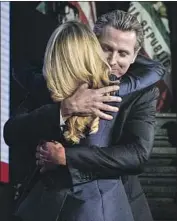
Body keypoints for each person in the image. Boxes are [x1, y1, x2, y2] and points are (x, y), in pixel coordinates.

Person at [4, 10, 164, 221]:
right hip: (46, 202)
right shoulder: (59, 80)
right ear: (90, 44)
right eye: (106, 48)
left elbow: (137, 154)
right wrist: (64, 109)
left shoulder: (142, 91)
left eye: (123, 53)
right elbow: (12, 131)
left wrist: (65, 158)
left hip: (111, 203)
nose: (112, 60)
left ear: (135, 56)